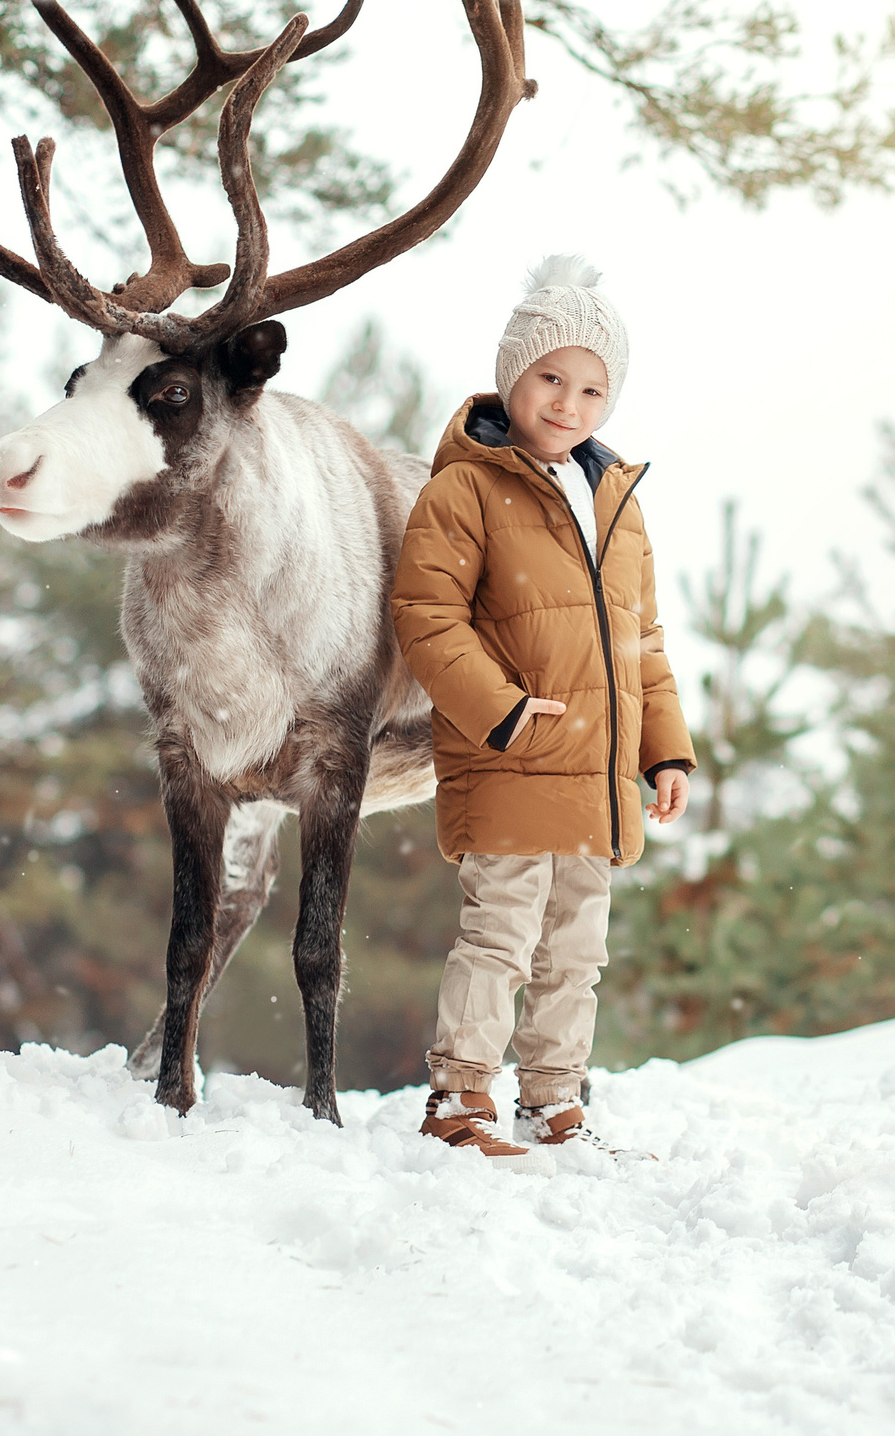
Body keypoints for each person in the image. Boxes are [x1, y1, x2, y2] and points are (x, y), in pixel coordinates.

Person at [390, 255, 695, 1158]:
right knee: (501, 936)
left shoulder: (616, 503)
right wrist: (502, 710)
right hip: (512, 756)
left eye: (592, 389)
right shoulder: (466, 488)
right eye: (551, 378)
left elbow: (641, 639)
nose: (569, 403)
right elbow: (426, 612)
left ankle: (554, 1101)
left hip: (598, 771)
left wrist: (664, 751)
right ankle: (460, 1100)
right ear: (512, 374)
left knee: (576, 950)